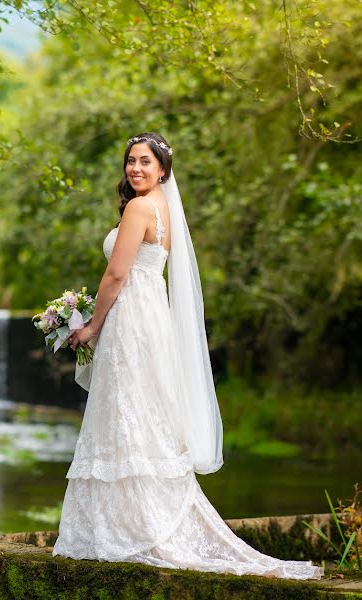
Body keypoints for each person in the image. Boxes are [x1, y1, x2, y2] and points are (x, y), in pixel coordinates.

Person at [55, 132, 323, 579]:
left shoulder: (140, 208)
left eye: (145, 162)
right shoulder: (164, 208)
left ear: (162, 168)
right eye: (130, 161)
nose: (135, 169)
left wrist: (90, 327)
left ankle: (130, 529)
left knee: (127, 412)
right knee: (145, 414)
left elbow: (117, 273)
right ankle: (138, 522)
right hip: (151, 314)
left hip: (130, 317)